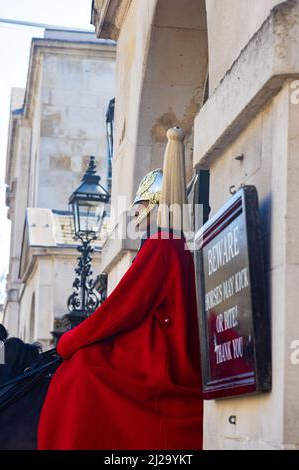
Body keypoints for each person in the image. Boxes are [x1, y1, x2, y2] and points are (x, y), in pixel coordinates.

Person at [37, 127, 203, 450]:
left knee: (80, 371)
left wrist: (69, 343)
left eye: (143, 208)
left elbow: (119, 312)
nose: (138, 215)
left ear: (155, 207)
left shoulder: (161, 247)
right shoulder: (182, 247)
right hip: (173, 357)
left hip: (160, 366)